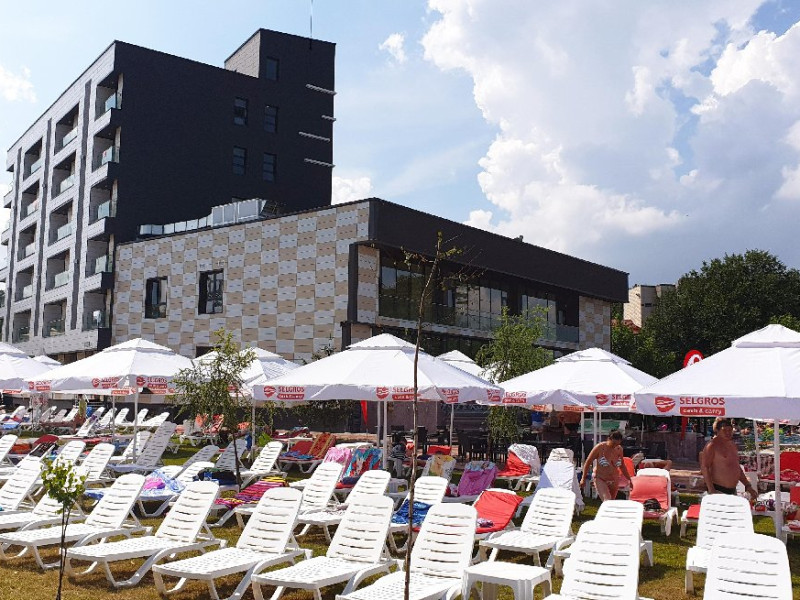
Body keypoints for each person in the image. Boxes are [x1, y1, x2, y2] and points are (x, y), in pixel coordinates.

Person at [700, 417, 756, 498]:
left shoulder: (732, 445)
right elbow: (704, 467)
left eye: (730, 430)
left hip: (733, 491)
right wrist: (711, 489)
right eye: (724, 430)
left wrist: (747, 485)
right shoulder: (712, 445)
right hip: (717, 490)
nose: (728, 433)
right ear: (718, 431)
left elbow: (736, 467)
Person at [580, 430, 632, 501]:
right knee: (607, 499)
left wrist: (629, 479)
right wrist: (583, 478)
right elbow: (588, 462)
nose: (615, 446)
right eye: (613, 443)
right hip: (601, 478)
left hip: (614, 479)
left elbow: (622, 466)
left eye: (617, 444)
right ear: (609, 439)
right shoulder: (600, 447)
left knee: (611, 502)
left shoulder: (619, 449)